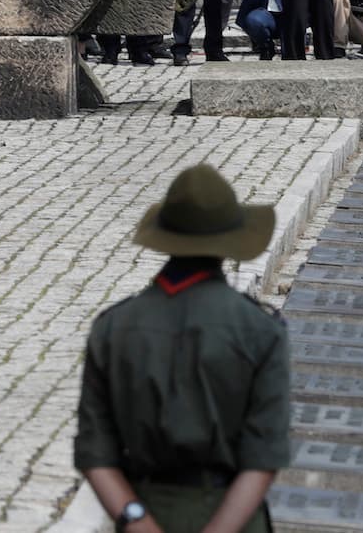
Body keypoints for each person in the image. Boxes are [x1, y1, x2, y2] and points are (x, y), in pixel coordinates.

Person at [74, 163, 290, 533]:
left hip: (146, 508)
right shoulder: (260, 330)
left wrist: (137, 521)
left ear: (166, 238)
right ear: (230, 246)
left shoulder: (112, 328)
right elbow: (262, 460)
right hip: (232, 516)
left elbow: (96, 453)